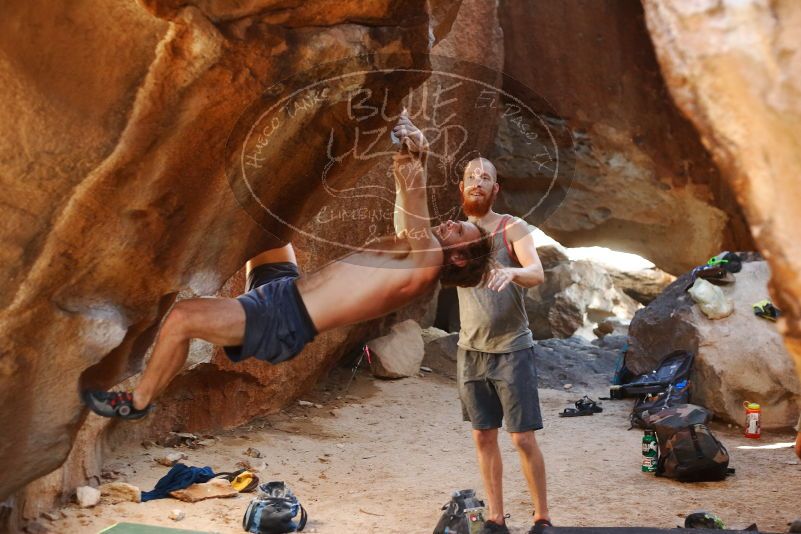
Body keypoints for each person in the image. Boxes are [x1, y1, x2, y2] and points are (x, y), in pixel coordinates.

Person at [83, 113, 493, 420]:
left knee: (181, 319)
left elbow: (416, 190)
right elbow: (407, 186)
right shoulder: (414, 251)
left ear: (458, 258)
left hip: (283, 317)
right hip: (285, 289)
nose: (454, 223)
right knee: (264, 227)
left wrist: (419, 151)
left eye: (461, 233)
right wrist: (399, 128)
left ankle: (138, 402)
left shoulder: (425, 263)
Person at [455, 157, 551, 534]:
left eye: (486, 178)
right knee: (483, 434)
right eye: (471, 177)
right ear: (461, 188)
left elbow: (537, 272)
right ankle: (496, 517)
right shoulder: (455, 234)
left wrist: (512, 271)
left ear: (496, 189)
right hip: (471, 349)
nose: (478, 182)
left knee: (522, 438)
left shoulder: (513, 227)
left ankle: (541, 517)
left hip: (512, 348)